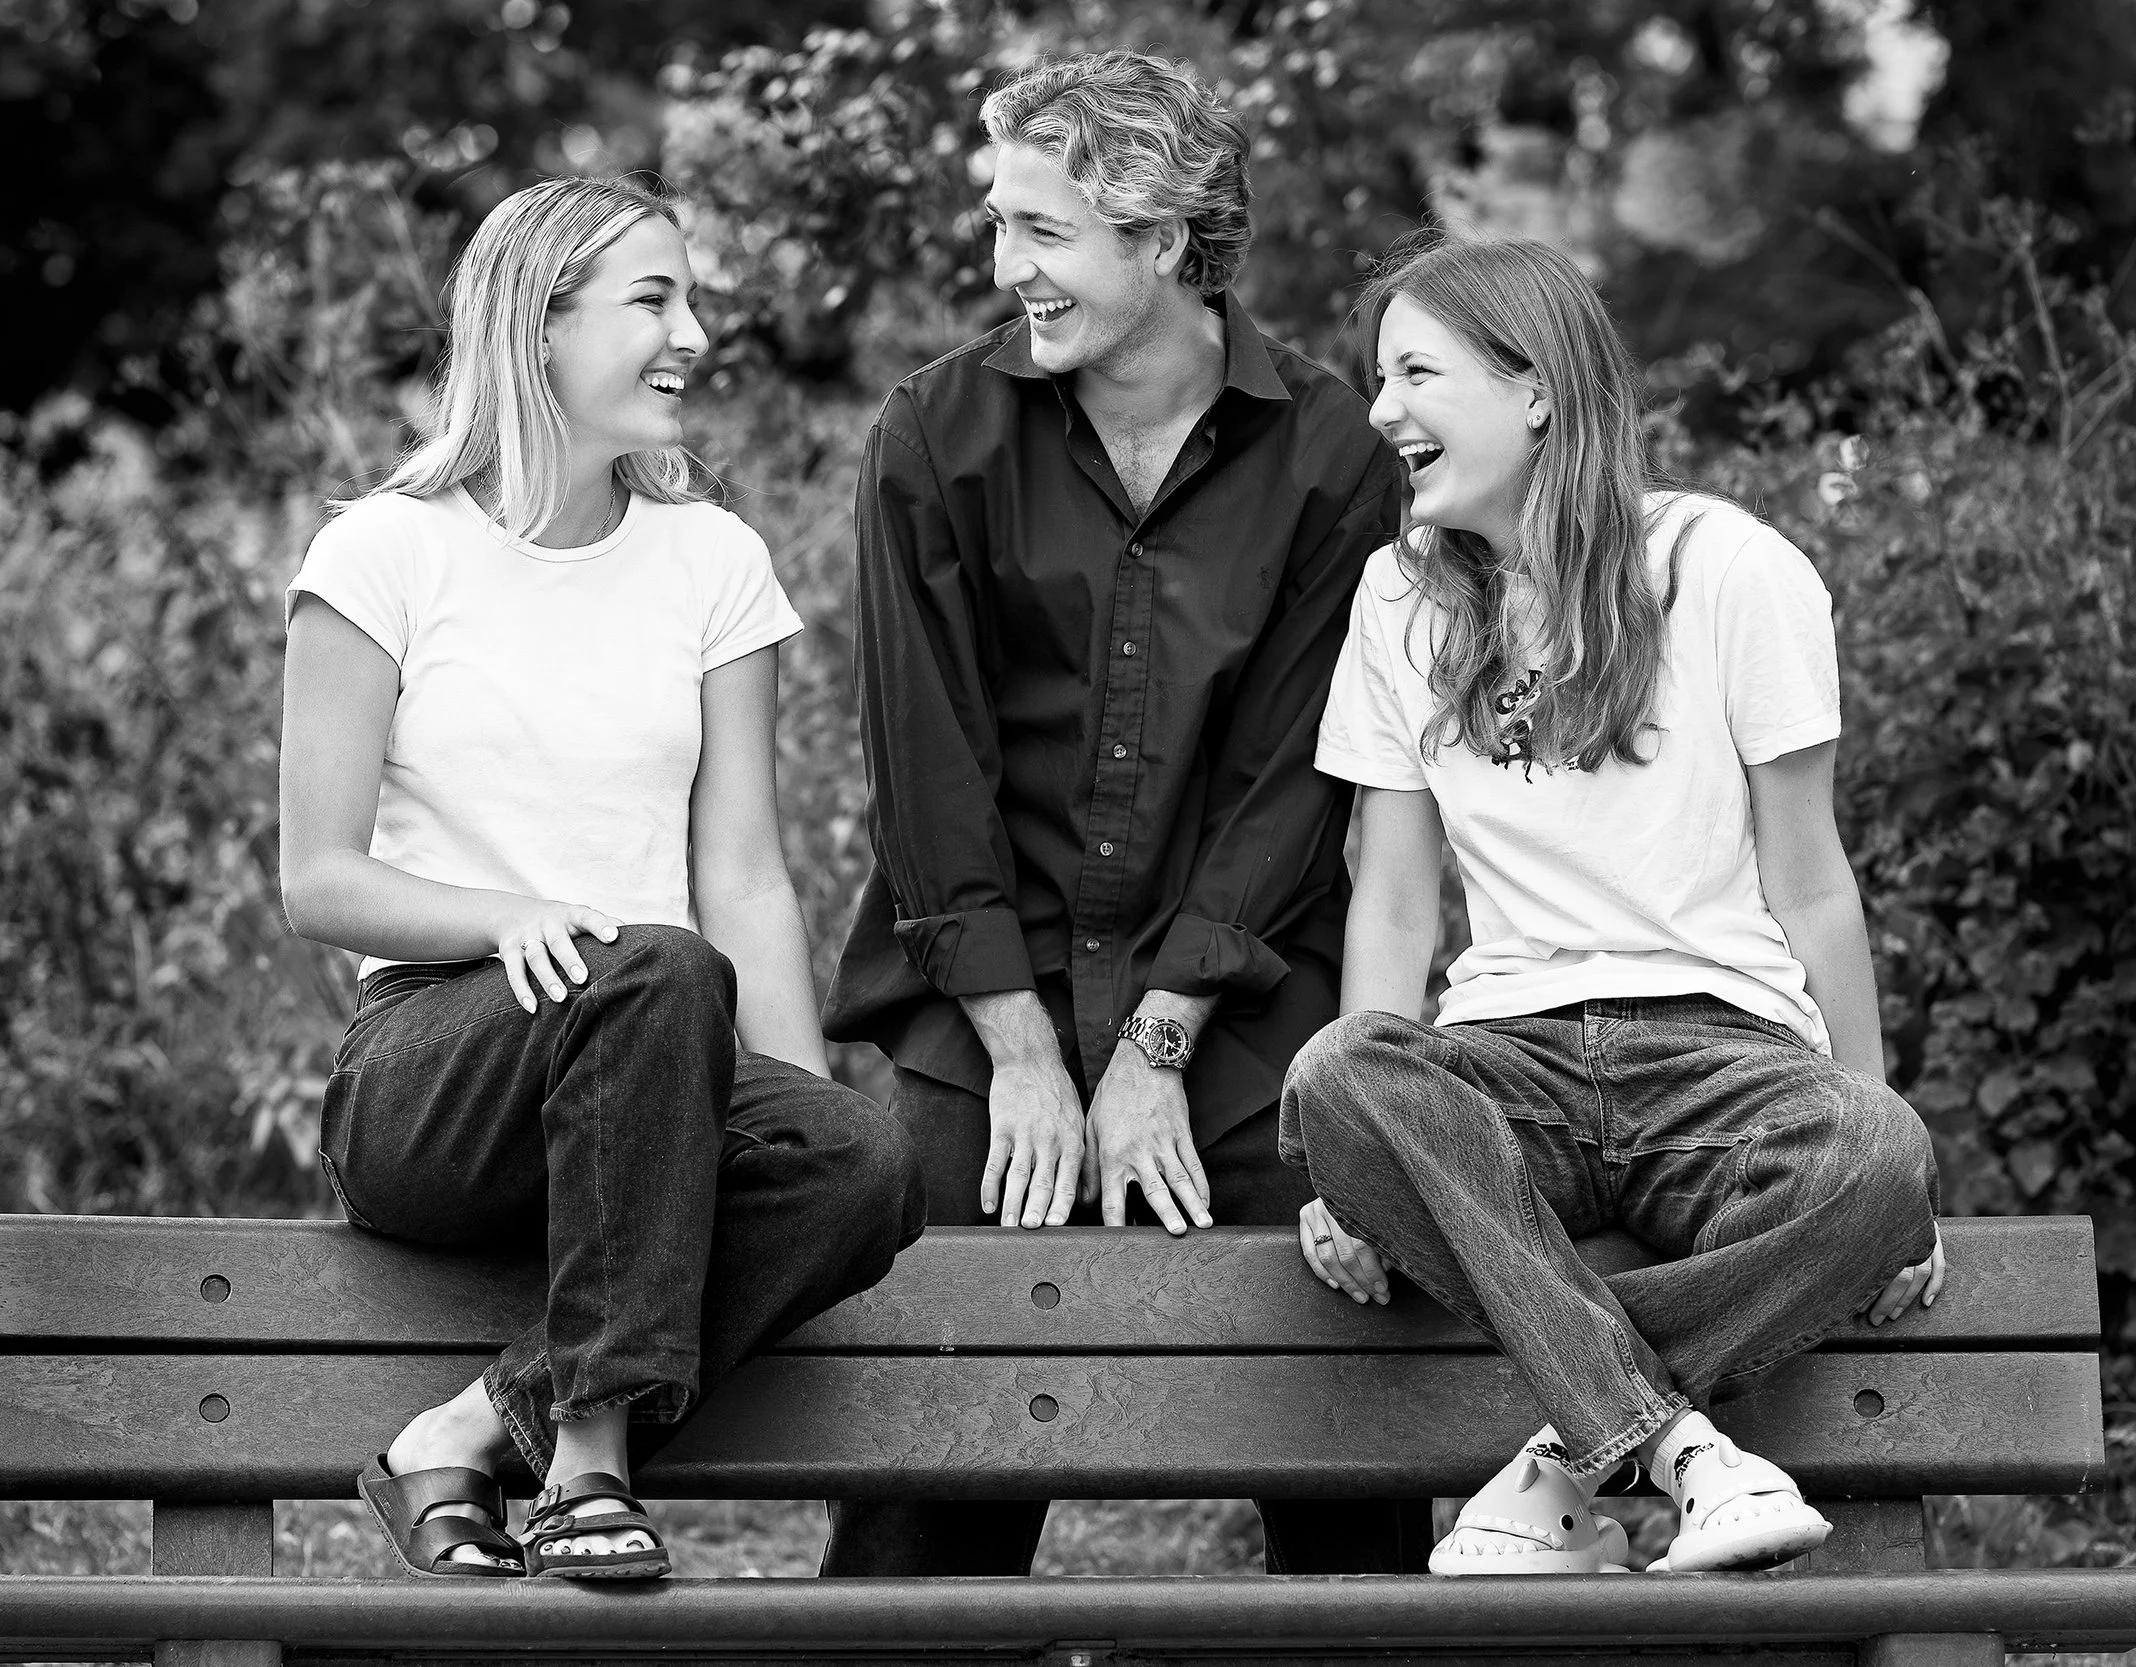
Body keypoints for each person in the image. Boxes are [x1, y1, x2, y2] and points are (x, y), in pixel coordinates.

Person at [818, 50, 1432, 1577]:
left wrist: (1157, 1039)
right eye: (999, 223)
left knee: (1340, 1325)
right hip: (979, 990)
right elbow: (925, 766)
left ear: (1162, 242)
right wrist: (1024, 1055)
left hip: (1237, 991)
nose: (1005, 266)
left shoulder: (1332, 453)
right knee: (934, 1375)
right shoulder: (933, 437)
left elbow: (1299, 775)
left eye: (1043, 231)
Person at [278, 177, 922, 1582]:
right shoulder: (384, 552)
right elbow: (316, 879)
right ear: (540, 323)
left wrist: (802, 1103)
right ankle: (588, 1460)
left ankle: (461, 1432)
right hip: (439, 1071)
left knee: (863, 1159)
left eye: (692, 299)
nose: (693, 332)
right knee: (652, 962)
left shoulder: (712, 560)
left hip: (654, 1053)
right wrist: (511, 915)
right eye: (654, 300)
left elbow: (743, 870)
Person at [1280, 235, 1946, 1577]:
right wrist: (1354, 1168)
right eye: (1376, 377)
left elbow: (1810, 875)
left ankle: (1558, 1457)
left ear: (1537, 388)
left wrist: (1903, 1192)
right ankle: (1687, 1451)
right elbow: (1397, 905)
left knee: (1873, 1151)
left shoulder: (1729, 568)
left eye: (1417, 371)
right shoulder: (1399, 598)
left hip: (1720, 1054)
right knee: (1341, 1073)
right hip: (1507, 1061)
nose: (1379, 410)